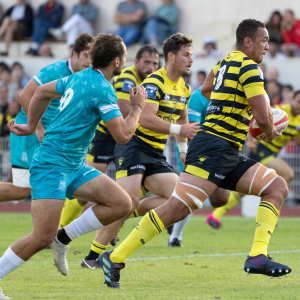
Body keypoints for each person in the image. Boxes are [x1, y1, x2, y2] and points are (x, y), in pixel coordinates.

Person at [98, 19, 292, 289]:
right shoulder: (250, 68)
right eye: (264, 41)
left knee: (276, 187)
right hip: (214, 146)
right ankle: (114, 257)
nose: (268, 47)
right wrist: (269, 130)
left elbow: (206, 89)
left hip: (225, 149)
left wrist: (233, 110)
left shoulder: (226, 62)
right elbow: (262, 117)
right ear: (248, 42)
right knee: (176, 209)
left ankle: (258, 256)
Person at [0, 33, 146, 299]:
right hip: (52, 164)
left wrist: (33, 126)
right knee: (39, 237)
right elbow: (123, 135)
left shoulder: (79, 77)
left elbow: (42, 91)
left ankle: (62, 238)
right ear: (117, 61)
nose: (126, 58)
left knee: (122, 204)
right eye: (125, 54)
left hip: (74, 165)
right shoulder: (102, 89)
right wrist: (137, 108)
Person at [54, 33, 199, 274]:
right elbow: (148, 118)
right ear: (171, 57)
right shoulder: (155, 83)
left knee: (181, 199)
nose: (191, 60)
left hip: (155, 153)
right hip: (133, 146)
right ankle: (90, 254)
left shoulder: (184, 87)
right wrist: (180, 129)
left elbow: (182, 116)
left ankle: (118, 212)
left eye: (192, 55)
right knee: (126, 201)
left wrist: (183, 150)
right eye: (187, 55)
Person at [57, 45, 159, 268]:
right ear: (136, 61)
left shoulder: (150, 80)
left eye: (155, 64)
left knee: (123, 198)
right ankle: (61, 231)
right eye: (147, 63)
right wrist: (143, 110)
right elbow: (123, 111)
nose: (151, 68)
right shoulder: (127, 78)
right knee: (85, 193)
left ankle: (110, 223)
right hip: (107, 135)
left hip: (130, 139)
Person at [0, 33, 93, 205]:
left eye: (92, 57)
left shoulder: (86, 77)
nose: (89, 61)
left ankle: (61, 230)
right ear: (74, 53)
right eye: (86, 55)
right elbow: (26, 95)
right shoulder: (55, 71)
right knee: (23, 189)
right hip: (30, 134)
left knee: (75, 188)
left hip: (53, 138)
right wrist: (38, 128)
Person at [207, 91, 300, 228]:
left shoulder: (298, 121)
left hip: (272, 153)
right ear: (291, 99)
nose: (299, 106)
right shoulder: (279, 111)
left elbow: (297, 142)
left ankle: (214, 216)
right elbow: (256, 119)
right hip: (261, 150)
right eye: (298, 101)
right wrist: (250, 141)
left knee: (242, 190)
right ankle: (271, 210)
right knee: (288, 174)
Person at [168, 84, 229, 246]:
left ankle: (173, 206)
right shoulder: (197, 97)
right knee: (189, 193)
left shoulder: (229, 97)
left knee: (222, 199)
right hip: (193, 149)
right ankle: (175, 237)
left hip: (218, 152)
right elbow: (191, 131)